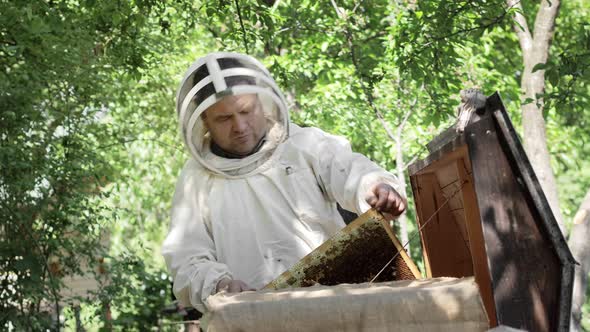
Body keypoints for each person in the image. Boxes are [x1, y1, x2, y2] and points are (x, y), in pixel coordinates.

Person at [161, 52, 406, 313]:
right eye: (224, 118)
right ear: (204, 120)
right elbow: (187, 257)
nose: (240, 126)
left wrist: (376, 186)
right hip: (252, 320)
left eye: (246, 110)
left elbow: (348, 168)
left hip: (332, 307)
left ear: (260, 100)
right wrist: (219, 284)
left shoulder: (303, 144)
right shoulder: (195, 180)